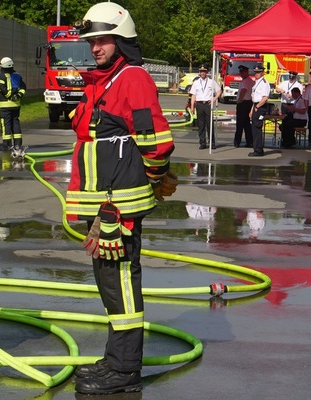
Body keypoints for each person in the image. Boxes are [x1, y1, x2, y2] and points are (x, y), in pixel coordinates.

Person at [67, 2, 176, 394]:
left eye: (103, 40)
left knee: (122, 282)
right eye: (92, 41)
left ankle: (126, 370)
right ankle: (117, 359)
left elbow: (156, 141)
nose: (95, 47)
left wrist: (156, 177)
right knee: (110, 283)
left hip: (120, 207)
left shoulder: (132, 79)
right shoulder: (102, 81)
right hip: (103, 203)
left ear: (121, 41)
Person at [0, 56, 27, 151]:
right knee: (16, 123)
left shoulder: (2, 76)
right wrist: (18, 96)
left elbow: (2, 88)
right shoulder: (17, 76)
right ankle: (18, 144)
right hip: (16, 105)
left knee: (6, 125)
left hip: (5, 105)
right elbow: (23, 87)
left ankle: (6, 145)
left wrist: (10, 96)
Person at [190, 64, 221, 149]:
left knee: (209, 124)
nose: (203, 73)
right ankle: (202, 143)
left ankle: (212, 143)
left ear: (207, 72)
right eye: (201, 72)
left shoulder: (211, 81)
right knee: (201, 125)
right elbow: (193, 95)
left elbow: (219, 91)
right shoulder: (196, 83)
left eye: (204, 71)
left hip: (208, 104)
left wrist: (214, 99)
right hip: (199, 104)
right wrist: (192, 106)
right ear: (199, 73)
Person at [248, 63, 271, 157]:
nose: (256, 74)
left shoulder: (264, 83)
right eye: (256, 72)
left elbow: (265, 98)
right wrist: (251, 110)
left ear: (262, 73)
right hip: (256, 106)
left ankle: (258, 150)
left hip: (260, 107)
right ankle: (256, 148)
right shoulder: (257, 82)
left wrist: (257, 107)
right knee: (254, 129)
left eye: (258, 72)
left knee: (257, 128)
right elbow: (254, 98)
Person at [234, 65, 254, 148]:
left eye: (242, 72)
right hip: (248, 103)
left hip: (244, 103)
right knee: (246, 124)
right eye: (240, 72)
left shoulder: (246, 81)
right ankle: (249, 141)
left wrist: (239, 100)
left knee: (240, 124)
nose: (241, 73)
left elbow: (243, 90)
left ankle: (237, 141)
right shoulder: (248, 80)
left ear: (246, 72)